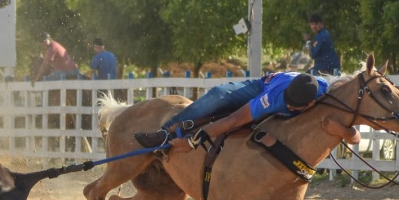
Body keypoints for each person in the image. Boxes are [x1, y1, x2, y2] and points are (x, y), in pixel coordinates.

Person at [134, 72, 329, 151]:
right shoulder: (274, 98)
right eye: (289, 104)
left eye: (295, 107)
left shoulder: (325, 93)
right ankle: (164, 132)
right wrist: (192, 143)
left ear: (312, 103)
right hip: (261, 87)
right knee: (219, 94)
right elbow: (232, 120)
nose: (290, 108)